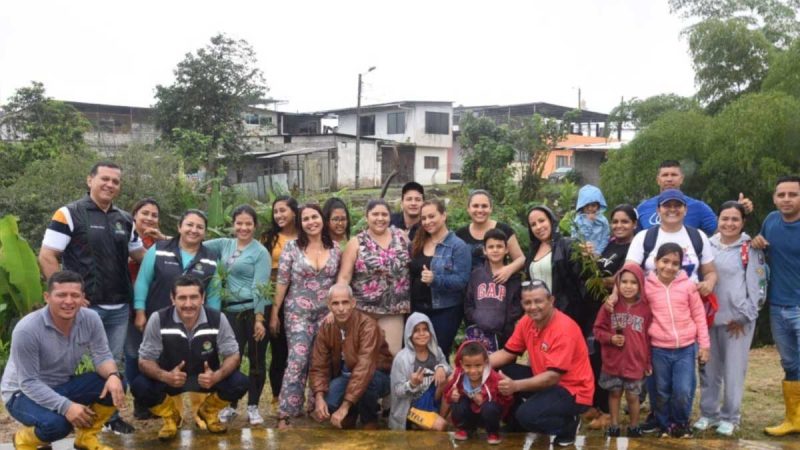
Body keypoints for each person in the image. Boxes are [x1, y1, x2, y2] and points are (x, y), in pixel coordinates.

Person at [38, 161, 144, 434]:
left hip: (119, 306)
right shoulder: (68, 213)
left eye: (115, 181)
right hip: (83, 309)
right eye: (104, 179)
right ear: (90, 180)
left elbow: (140, 255)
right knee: (70, 366)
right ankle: (62, 417)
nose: (110, 185)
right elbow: (48, 255)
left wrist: (173, 247)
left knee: (112, 364)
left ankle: (108, 418)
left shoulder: (125, 219)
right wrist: (67, 297)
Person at [2, 271, 126, 450]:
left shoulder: (90, 319)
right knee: (58, 425)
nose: (68, 301)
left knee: (115, 383)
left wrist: (113, 375)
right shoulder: (27, 329)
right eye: (61, 295)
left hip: (61, 385)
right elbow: (28, 382)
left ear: (83, 297)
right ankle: (23, 439)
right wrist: (67, 407)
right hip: (21, 394)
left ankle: (86, 438)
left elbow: (102, 355)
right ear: (47, 297)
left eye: (75, 295)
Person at [132, 275, 248, 440]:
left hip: (205, 379)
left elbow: (233, 355)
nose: (188, 304)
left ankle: (208, 411)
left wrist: (216, 376)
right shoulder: (159, 319)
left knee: (240, 382)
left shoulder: (217, 318)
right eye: (182, 298)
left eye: (194, 297)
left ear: (203, 298)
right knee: (140, 386)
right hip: (171, 379)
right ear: (172, 299)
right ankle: (171, 416)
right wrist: (165, 376)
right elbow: (144, 360)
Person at [133, 209, 221, 426]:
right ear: (180, 227)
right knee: (165, 364)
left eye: (199, 227)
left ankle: (201, 414)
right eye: (189, 224)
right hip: (161, 321)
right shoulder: (159, 250)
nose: (194, 230)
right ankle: (172, 417)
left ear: (205, 232)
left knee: (199, 363)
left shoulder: (211, 258)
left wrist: (213, 321)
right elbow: (143, 281)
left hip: (196, 323)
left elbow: (214, 293)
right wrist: (140, 311)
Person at [489, 280, 594, 447]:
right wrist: (476, 365)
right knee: (504, 372)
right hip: (545, 379)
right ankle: (516, 426)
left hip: (572, 390)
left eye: (538, 301)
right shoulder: (527, 321)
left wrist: (515, 386)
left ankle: (568, 426)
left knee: (528, 416)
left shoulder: (564, 330)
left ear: (551, 300)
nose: (533, 307)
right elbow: (508, 353)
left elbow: (552, 377)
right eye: (527, 302)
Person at [694, 201, 768, 436]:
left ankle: (730, 416)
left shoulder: (750, 248)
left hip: (737, 323)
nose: (729, 223)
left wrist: (745, 317)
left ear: (743, 222)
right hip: (709, 320)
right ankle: (709, 413)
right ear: (717, 220)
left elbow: (758, 287)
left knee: (734, 372)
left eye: (735, 219)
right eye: (725, 218)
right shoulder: (706, 245)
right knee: (708, 370)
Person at [273, 203, 342, 429]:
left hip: (326, 314)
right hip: (297, 313)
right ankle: (287, 410)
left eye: (315, 217)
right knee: (298, 359)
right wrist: (274, 313)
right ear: (300, 223)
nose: (311, 222)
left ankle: (316, 406)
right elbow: (282, 281)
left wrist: (335, 311)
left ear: (322, 219)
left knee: (320, 360)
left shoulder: (335, 248)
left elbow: (339, 283)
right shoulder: (292, 248)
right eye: (306, 219)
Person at [203, 205, 271, 426]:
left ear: (255, 225)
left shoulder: (260, 252)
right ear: (233, 224)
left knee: (257, 360)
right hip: (230, 313)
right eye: (239, 223)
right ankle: (230, 405)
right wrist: (164, 238)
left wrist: (259, 319)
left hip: (253, 311)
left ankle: (253, 406)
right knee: (232, 358)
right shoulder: (224, 244)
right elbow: (192, 242)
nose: (243, 228)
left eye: (248, 223)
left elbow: (260, 286)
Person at [646, 243, 710, 438]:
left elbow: (699, 315)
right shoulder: (647, 287)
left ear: (680, 266)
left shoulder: (688, 286)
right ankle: (664, 424)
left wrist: (704, 345)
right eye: (664, 261)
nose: (669, 267)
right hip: (658, 349)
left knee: (683, 390)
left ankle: (681, 423)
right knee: (661, 390)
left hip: (685, 348)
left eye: (675, 263)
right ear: (656, 262)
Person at [753, 175, 800, 436]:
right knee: (790, 364)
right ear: (774, 198)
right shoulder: (771, 221)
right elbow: (760, 249)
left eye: (793, 194)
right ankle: (794, 419)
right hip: (777, 306)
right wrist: (756, 242)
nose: (786, 199)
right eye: (781, 195)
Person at [309, 284, 393, 429]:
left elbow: (364, 369)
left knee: (368, 383)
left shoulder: (368, 325)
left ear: (353, 303)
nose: (341, 308)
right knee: (328, 403)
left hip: (377, 375)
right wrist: (319, 397)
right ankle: (351, 413)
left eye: (345, 302)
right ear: (329, 306)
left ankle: (369, 420)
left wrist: (344, 406)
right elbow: (318, 365)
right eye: (335, 303)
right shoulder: (326, 327)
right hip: (346, 376)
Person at [587, 203, 638, 429]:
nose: (619, 225)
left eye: (624, 221)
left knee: (611, 361)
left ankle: (608, 412)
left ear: (634, 224)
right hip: (600, 310)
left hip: (619, 312)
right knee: (597, 357)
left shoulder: (634, 249)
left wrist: (597, 281)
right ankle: (597, 406)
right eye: (615, 221)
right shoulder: (611, 244)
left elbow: (620, 278)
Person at [338, 199, 410, 355]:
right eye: (375, 214)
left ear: (390, 216)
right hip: (363, 310)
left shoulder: (401, 237)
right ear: (366, 217)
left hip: (393, 309)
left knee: (391, 356)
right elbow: (344, 277)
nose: (380, 218)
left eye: (384, 214)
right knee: (364, 357)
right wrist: (340, 303)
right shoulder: (356, 242)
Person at [592, 263, 652, 438]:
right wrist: (610, 338)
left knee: (633, 396)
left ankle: (634, 426)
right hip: (613, 362)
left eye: (633, 282)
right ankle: (614, 425)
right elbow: (597, 330)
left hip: (635, 362)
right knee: (615, 393)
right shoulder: (610, 306)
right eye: (624, 282)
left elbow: (648, 339)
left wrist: (647, 362)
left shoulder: (645, 309)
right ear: (617, 284)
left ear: (641, 284)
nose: (628, 286)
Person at [409, 199, 471, 357]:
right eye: (424, 218)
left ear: (443, 215)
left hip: (445, 310)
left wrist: (435, 279)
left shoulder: (458, 246)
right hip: (418, 308)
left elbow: (462, 280)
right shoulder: (417, 243)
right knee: (418, 354)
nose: (427, 221)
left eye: (432, 216)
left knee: (438, 354)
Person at [126, 198, 166, 420]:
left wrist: (162, 239)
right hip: (131, 305)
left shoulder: (158, 242)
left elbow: (184, 249)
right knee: (134, 354)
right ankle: (139, 403)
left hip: (157, 305)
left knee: (156, 354)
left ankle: (154, 401)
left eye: (154, 215)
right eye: (145, 213)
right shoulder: (125, 238)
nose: (150, 218)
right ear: (134, 216)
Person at [525, 205, 591, 336]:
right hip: (538, 315)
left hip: (564, 313)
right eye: (533, 224)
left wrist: (586, 259)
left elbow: (581, 278)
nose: (538, 227)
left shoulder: (568, 244)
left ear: (551, 220)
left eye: (542, 221)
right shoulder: (532, 252)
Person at [262, 196, 297, 409]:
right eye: (275, 211)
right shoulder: (269, 238)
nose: (278, 215)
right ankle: (277, 396)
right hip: (276, 299)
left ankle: (298, 395)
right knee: (279, 350)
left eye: (283, 210)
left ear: (294, 211)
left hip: (301, 299)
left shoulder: (305, 236)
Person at [389, 312, 450, 431]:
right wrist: (411, 384)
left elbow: (450, 370)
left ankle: (439, 416)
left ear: (430, 331)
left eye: (425, 329)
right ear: (409, 334)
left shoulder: (436, 351)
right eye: (416, 330)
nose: (422, 334)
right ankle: (416, 423)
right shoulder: (401, 359)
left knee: (451, 379)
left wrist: (441, 367)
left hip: (433, 397)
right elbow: (397, 391)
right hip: (411, 406)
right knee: (440, 426)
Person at [464, 228, 522, 352]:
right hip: (479, 333)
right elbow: (468, 302)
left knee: (504, 363)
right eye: (491, 247)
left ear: (506, 249)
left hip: (504, 334)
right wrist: (476, 317)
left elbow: (517, 306)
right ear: (484, 250)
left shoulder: (514, 278)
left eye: (499, 246)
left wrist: (507, 323)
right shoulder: (476, 275)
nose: (495, 250)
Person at [444, 341, 513, 445]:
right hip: (469, 414)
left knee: (490, 408)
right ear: (461, 364)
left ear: (485, 363)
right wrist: (452, 395)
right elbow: (447, 393)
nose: (473, 371)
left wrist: (485, 399)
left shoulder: (494, 378)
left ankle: (492, 432)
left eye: (478, 365)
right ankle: (465, 429)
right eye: (468, 366)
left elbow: (508, 399)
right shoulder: (459, 376)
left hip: (487, 415)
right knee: (458, 403)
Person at [455, 189, 526, 281]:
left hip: (498, 285)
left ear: (491, 209)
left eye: (484, 206)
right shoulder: (460, 234)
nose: (480, 210)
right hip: (469, 287)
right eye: (475, 206)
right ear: (468, 209)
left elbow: (521, 259)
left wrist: (508, 269)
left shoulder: (504, 229)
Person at [636, 160, 718, 236]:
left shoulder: (699, 207)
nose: (669, 179)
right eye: (665, 175)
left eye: (674, 175)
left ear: (681, 179)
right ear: (658, 180)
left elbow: (718, 233)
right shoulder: (642, 208)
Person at [571, 184, 610, 255]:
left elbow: (605, 237)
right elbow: (574, 237)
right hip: (582, 253)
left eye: (593, 205)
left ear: (598, 206)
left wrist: (598, 252)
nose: (590, 208)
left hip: (599, 254)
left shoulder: (603, 220)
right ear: (582, 206)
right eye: (586, 206)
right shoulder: (578, 220)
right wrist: (589, 222)